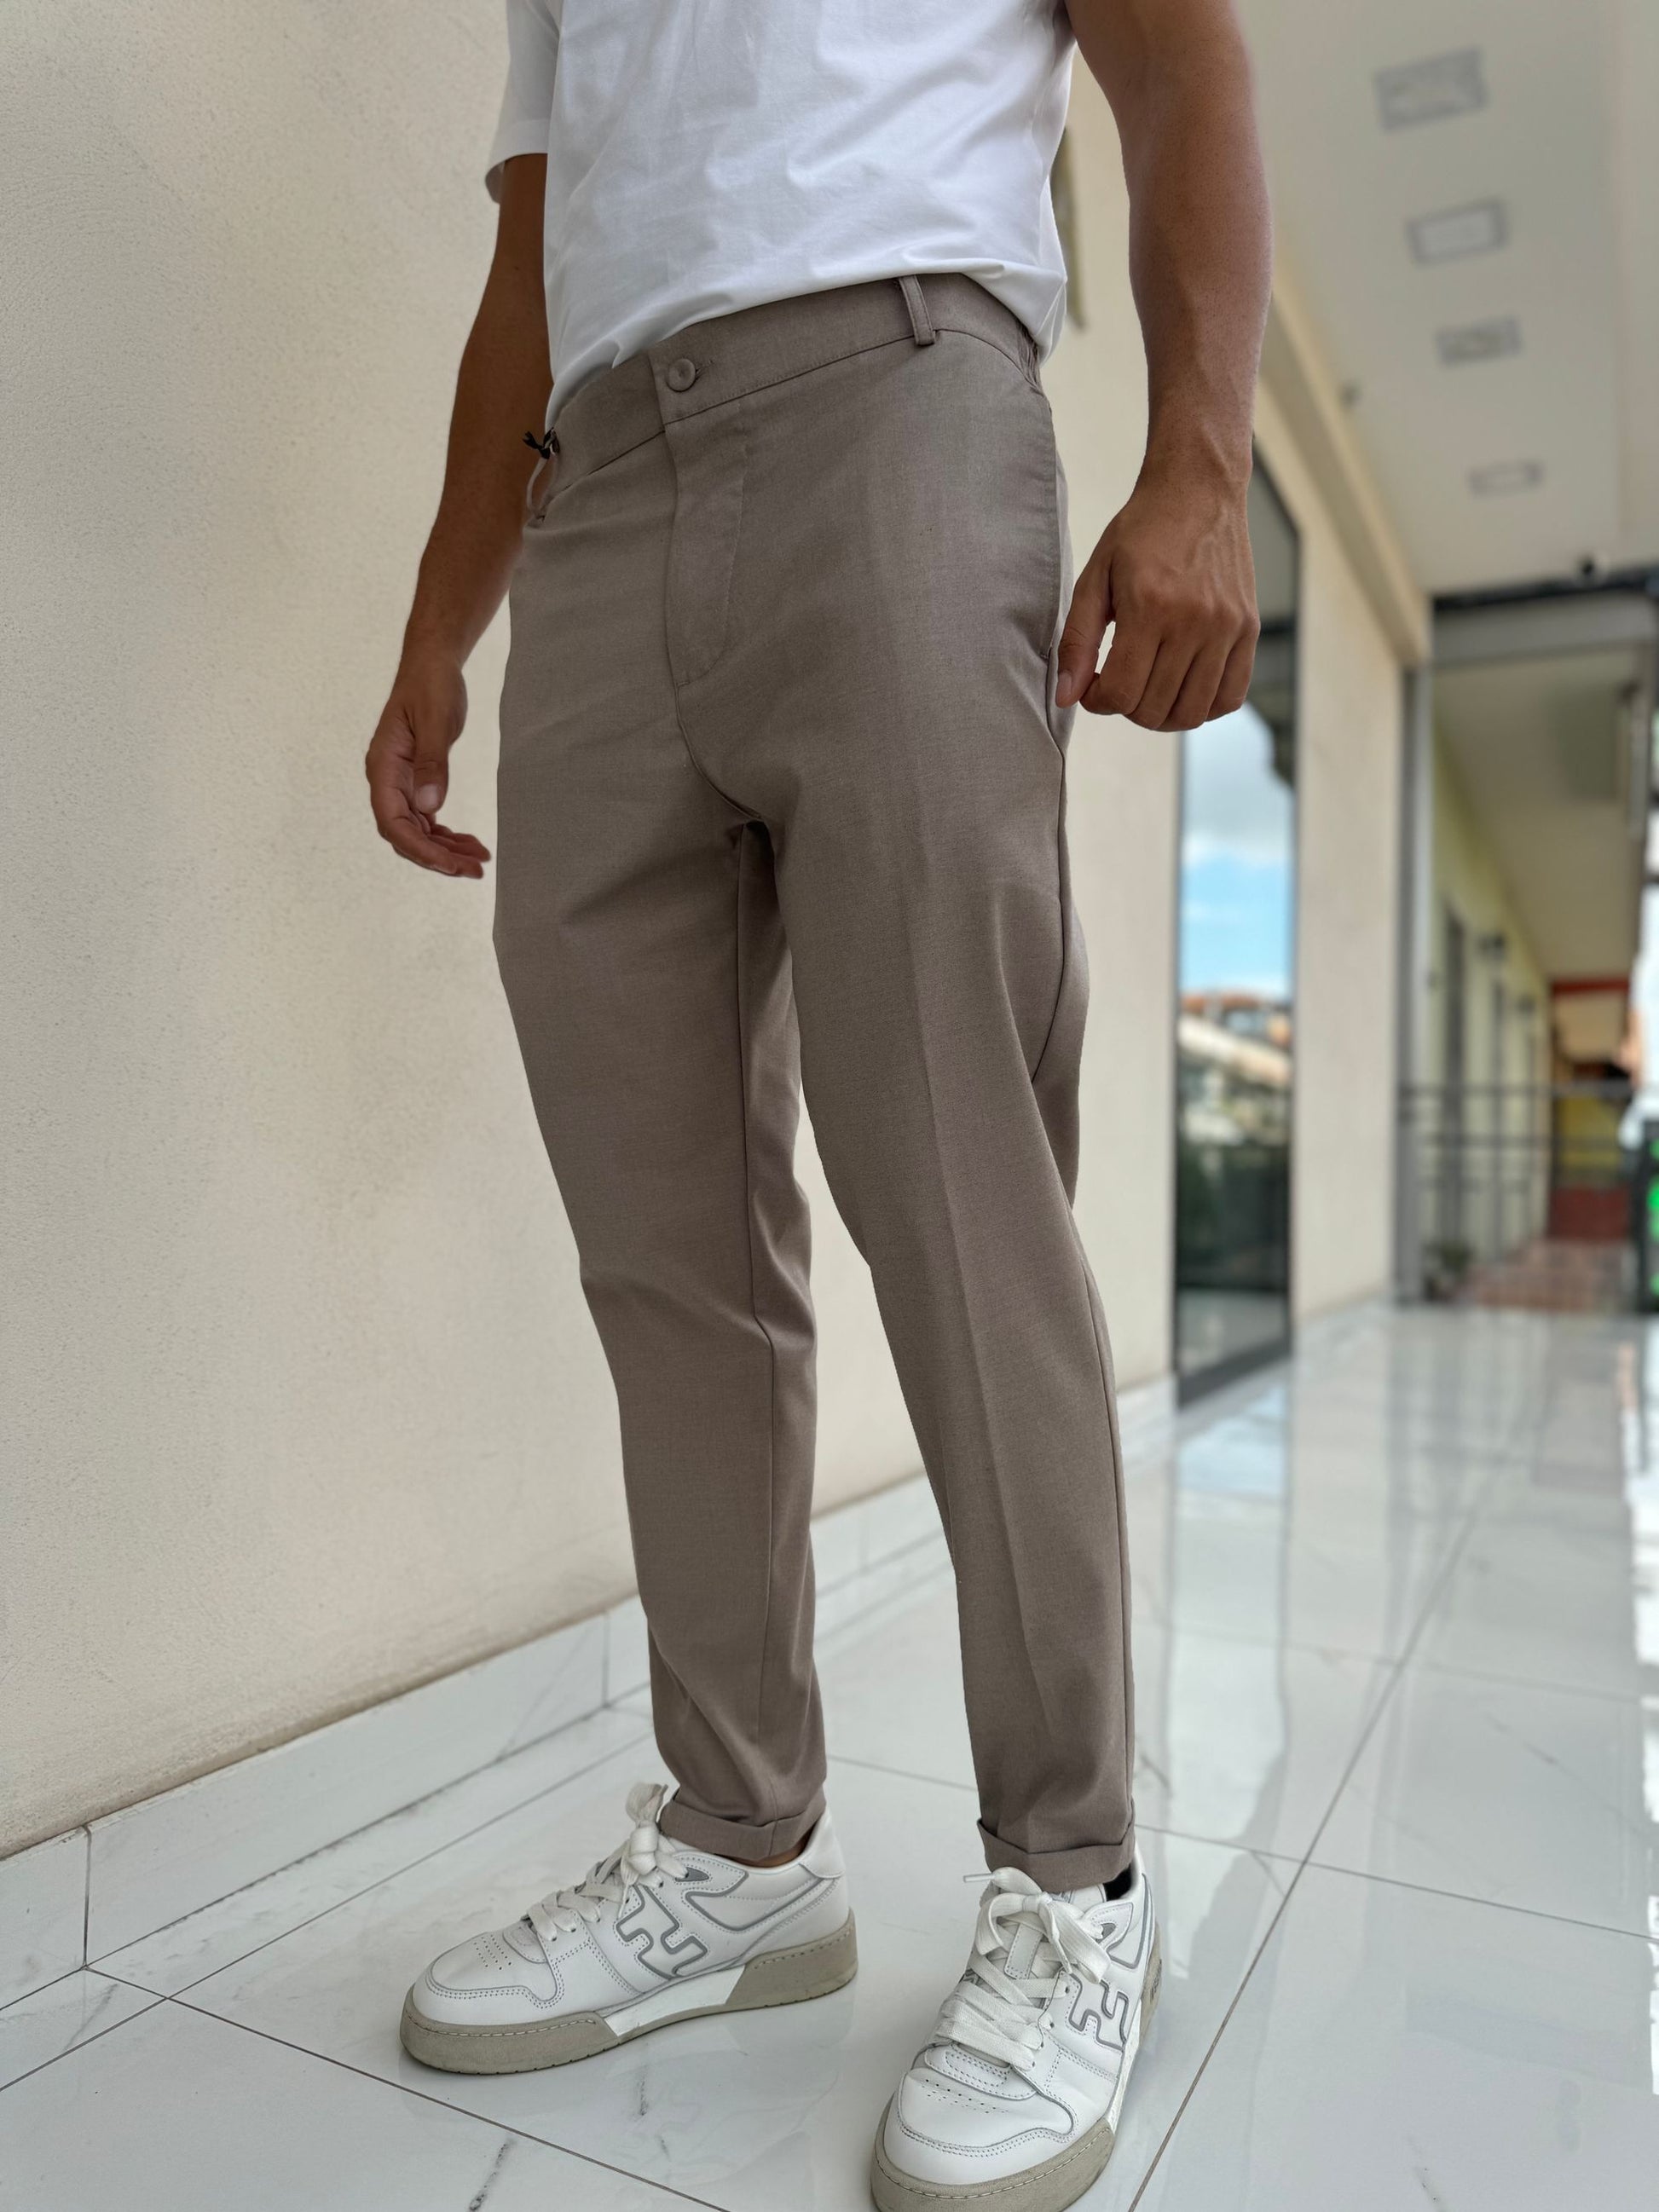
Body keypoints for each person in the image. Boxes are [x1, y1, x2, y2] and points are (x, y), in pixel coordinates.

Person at [370, 3, 1268, 2203]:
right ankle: (741, 1845)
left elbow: (1179, 64)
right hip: (599, 497)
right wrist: (437, 626)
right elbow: (535, 256)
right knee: (661, 1242)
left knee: (961, 1196)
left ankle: (1073, 1881)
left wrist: (1202, 460)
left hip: (900, 402)